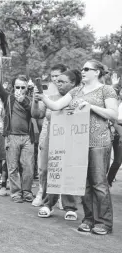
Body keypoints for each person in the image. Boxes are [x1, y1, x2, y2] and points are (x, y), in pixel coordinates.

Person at [35, 60, 118, 235]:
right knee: (85, 184)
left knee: (99, 184)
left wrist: (91, 107)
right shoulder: (76, 90)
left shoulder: (106, 90)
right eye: (82, 69)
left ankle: (104, 222)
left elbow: (113, 115)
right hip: (79, 142)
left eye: (87, 69)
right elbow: (57, 106)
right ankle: (88, 219)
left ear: (97, 72)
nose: (83, 71)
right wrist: (43, 98)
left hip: (99, 142)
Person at [32, 69, 81, 220]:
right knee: (48, 170)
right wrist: (35, 100)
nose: (58, 84)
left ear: (73, 84)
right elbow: (36, 114)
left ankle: (70, 207)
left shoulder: (78, 98)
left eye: (62, 81)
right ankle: (48, 204)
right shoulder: (50, 97)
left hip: (71, 138)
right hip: (51, 137)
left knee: (68, 172)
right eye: (57, 81)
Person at [0, 55, 36, 203]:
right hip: (12, 136)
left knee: (29, 167)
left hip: (28, 138)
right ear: (13, 88)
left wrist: (23, 101)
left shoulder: (30, 100)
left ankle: (27, 192)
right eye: (17, 87)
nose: (20, 90)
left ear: (27, 89)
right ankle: (16, 193)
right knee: (12, 167)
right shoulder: (8, 98)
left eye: (23, 87)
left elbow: (34, 112)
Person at [31, 64, 68, 207]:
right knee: (44, 167)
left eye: (58, 76)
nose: (55, 79)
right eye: (52, 76)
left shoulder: (71, 93)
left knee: (61, 166)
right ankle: (42, 192)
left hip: (64, 135)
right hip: (47, 133)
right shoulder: (48, 93)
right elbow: (37, 114)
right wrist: (35, 99)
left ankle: (60, 196)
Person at [107, 72, 122, 186]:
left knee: (117, 160)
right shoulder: (118, 103)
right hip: (116, 132)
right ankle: (107, 182)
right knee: (116, 160)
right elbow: (115, 120)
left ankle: (108, 182)